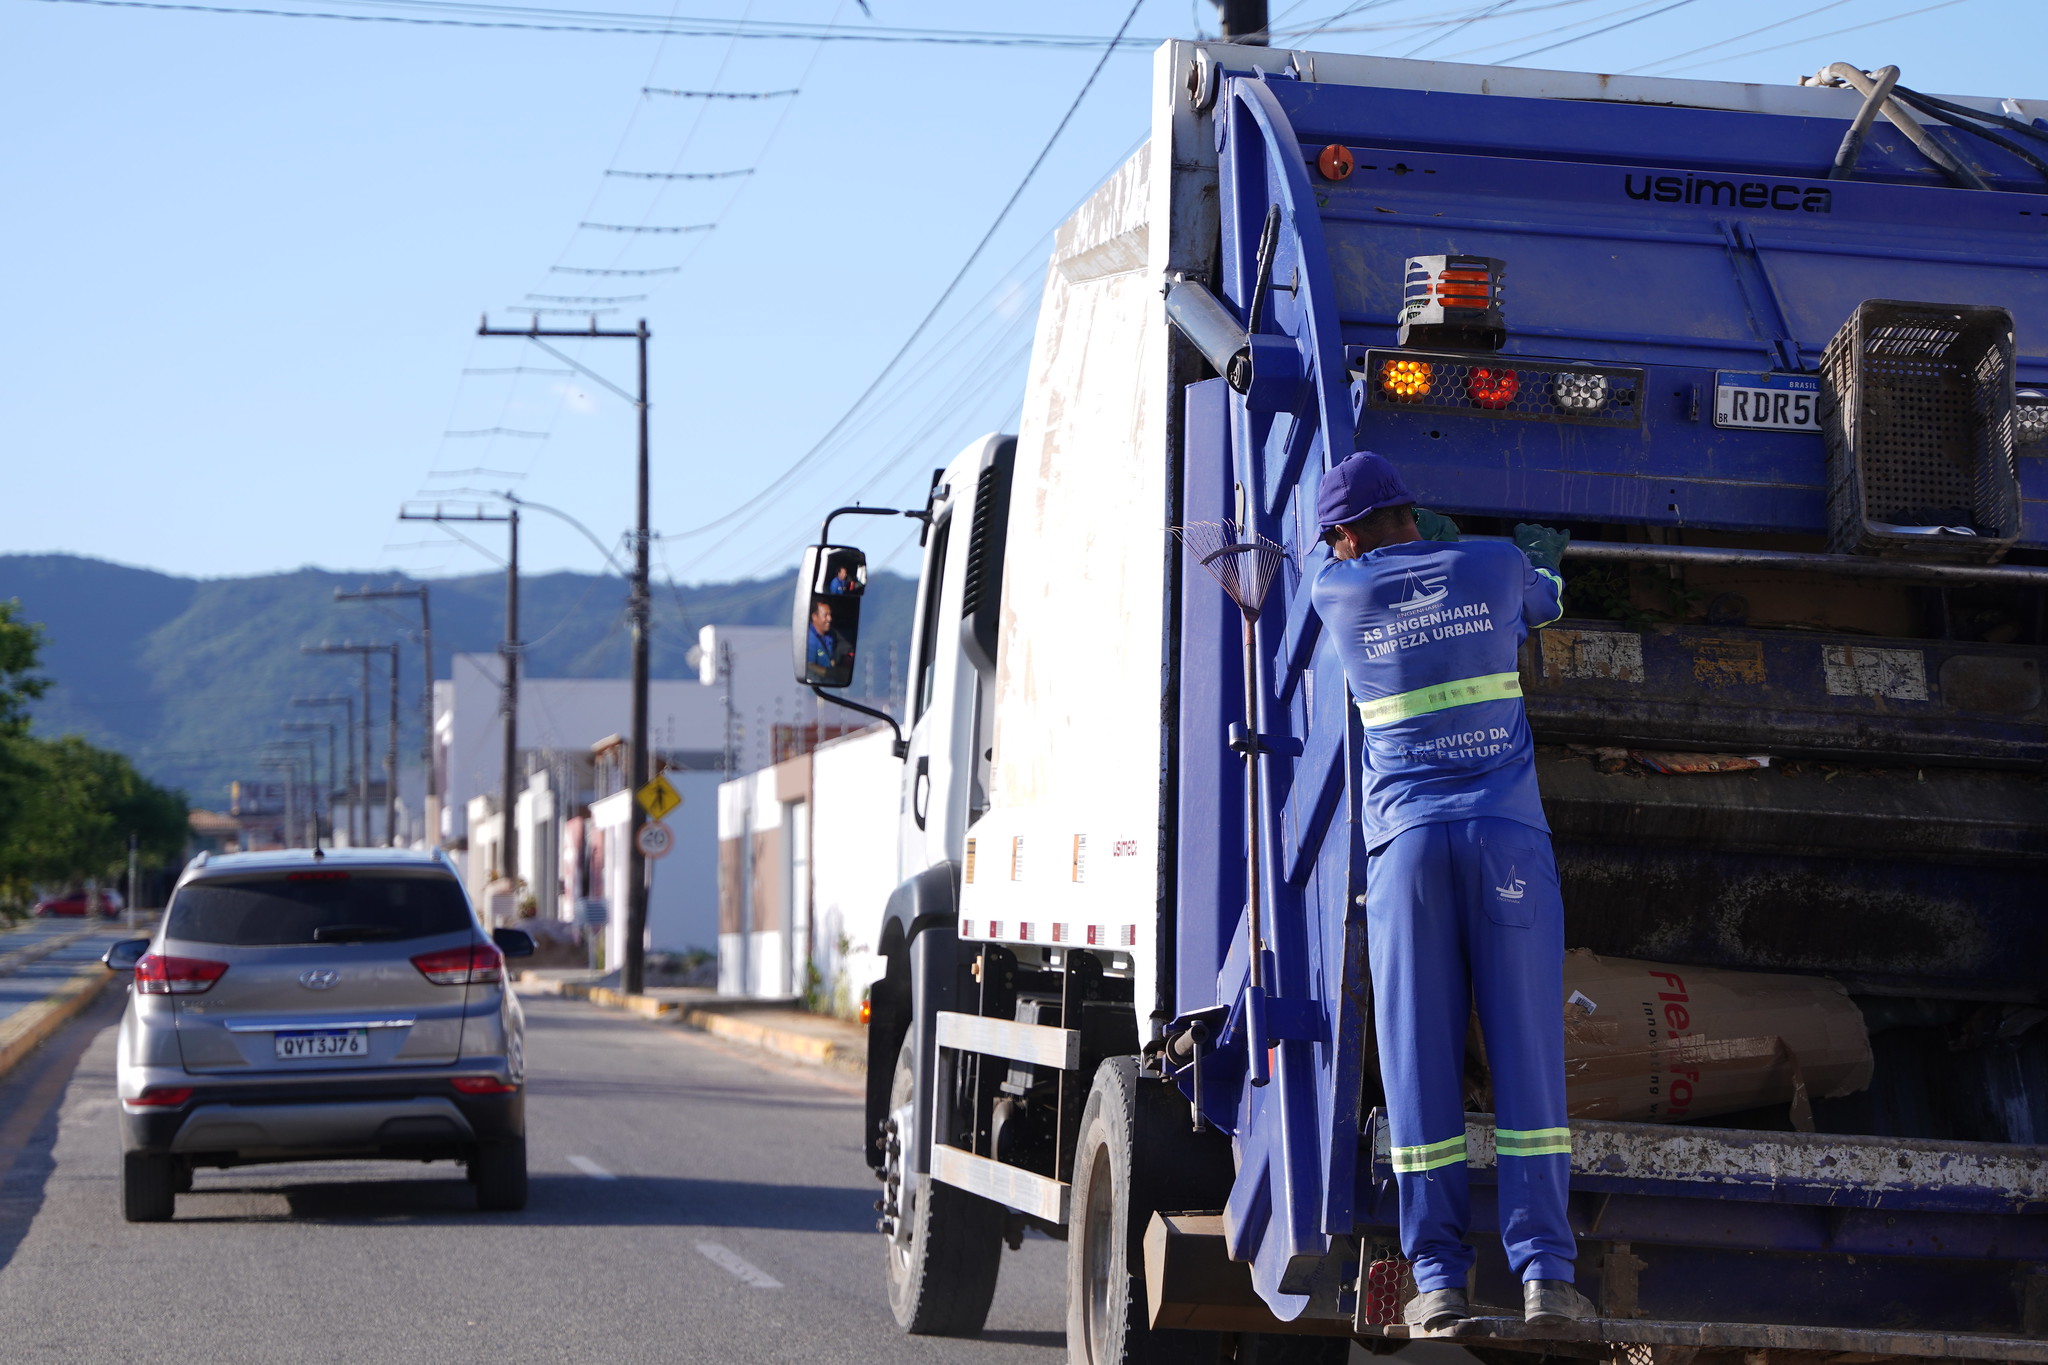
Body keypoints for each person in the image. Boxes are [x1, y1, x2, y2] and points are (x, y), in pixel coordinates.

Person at [1306, 450, 1592, 1332]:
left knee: (1420, 1063)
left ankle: (1438, 1280)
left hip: (1410, 852)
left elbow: (1323, 565)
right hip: (1506, 837)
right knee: (1527, 1055)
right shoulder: (1495, 565)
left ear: (1347, 536)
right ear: (1414, 512)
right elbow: (1547, 596)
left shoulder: (1338, 595)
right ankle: (1546, 1273)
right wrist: (1543, 561)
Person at [805, 599, 838, 681]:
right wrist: (830, 672)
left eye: (830, 614)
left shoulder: (831, 636)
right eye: (825, 615)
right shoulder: (809, 639)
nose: (829, 619)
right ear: (814, 617)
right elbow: (809, 666)